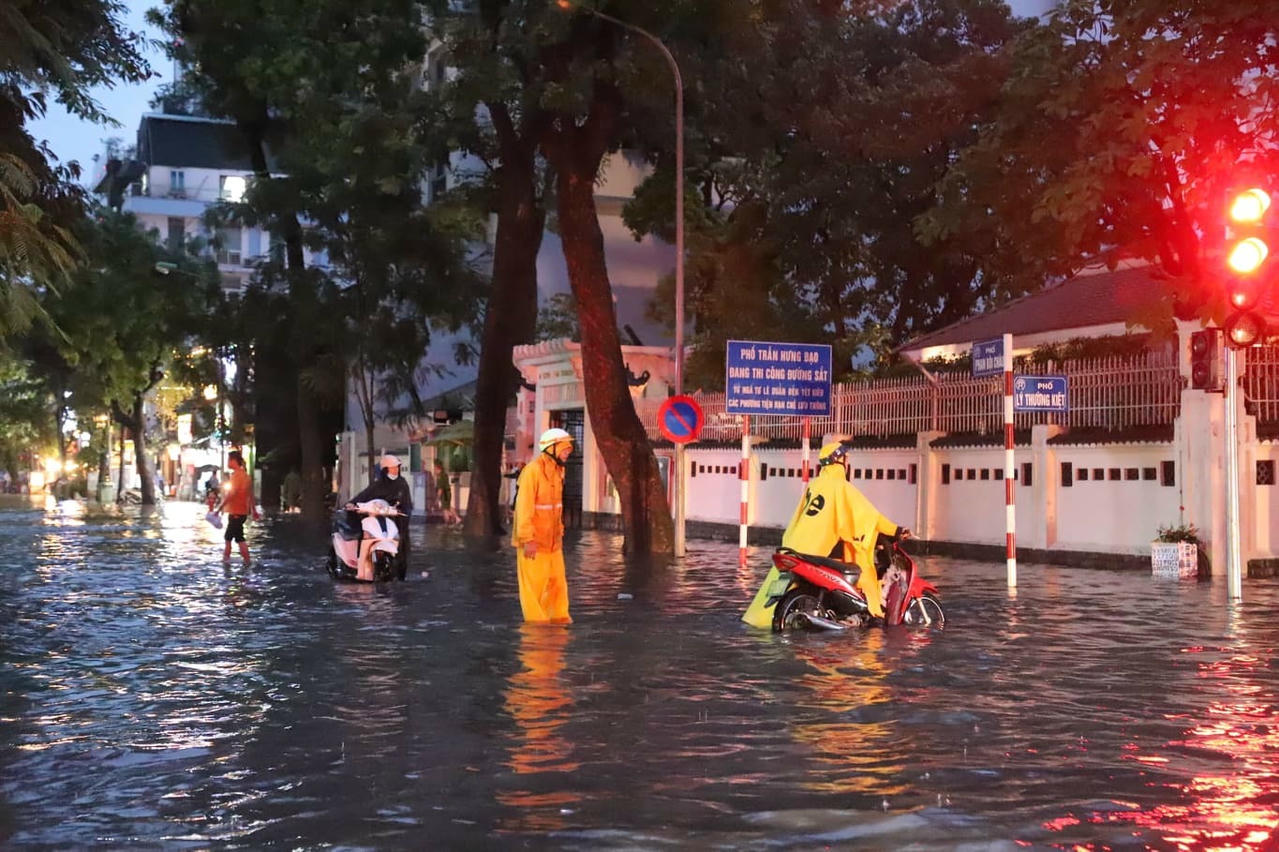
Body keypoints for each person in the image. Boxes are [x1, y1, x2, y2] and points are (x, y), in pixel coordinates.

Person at [743, 441, 908, 628]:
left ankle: (759, 619)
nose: (847, 463)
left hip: (793, 545)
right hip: (814, 549)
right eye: (846, 459)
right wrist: (896, 530)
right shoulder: (841, 487)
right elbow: (870, 517)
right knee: (858, 570)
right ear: (840, 461)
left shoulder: (815, 485)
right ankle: (868, 613)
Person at [511, 428, 574, 623]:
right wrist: (528, 539)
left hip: (553, 543)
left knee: (557, 585)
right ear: (551, 448)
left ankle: (558, 623)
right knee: (533, 589)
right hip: (534, 544)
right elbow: (524, 509)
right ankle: (536, 628)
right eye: (564, 449)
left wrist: (560, 533)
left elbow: (556, 508)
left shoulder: (557, 471)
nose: (568, 453)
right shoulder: (533, 471)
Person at [347, 454, 413, 560]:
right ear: (385, 469)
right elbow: (365, 495)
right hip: (378, 518)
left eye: (397, 467)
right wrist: (352, 503)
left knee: (401, 541)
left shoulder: (402, 483)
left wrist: (403, 514)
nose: (396, 470)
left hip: (396, 519)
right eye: (393, 468)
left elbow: (407, 503)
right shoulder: (378, 485)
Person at [214, 451, 259, 566]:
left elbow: (231, 494)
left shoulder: (236, 476)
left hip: (236, 512)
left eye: (229, 460)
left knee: (234, 538)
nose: (228, 463)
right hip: (242, 512)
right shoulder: (246, 476)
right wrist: (254, 511)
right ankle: (235, 560)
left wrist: (219, 508)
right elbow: (250, 495)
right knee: (234, 537)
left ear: (234, 461)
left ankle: (230, 562)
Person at [356, 498, 399, 581]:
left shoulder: (389, 522)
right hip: (362, 509)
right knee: (363, 541)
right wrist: (353, 505)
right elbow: (361, 497)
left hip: (385, 540)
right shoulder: (367, 521)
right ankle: (360, 571)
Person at [434, 459, 460, 526]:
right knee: (447, 507)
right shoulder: (444, 474)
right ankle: (456, 518)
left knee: (445, 509)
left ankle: (447, 523)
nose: (434, 470)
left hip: (444, 494)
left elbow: (440, 489)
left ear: (438, 468)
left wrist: (437, 499)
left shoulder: (440, 476)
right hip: (447, 493)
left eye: (435, 469)